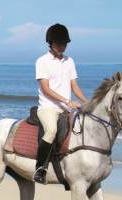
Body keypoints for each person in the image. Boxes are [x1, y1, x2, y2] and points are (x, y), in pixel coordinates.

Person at [33, 23, 88, 183]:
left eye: (64, 44)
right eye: (59, 43)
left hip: (67, 108)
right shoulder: (42, 61)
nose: (62, 47)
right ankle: (40, 169)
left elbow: (74, 86)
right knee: (50, 131)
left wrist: (87, 102)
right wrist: (67, 101)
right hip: (48, 108)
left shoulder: (69, 61)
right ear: (50, 43)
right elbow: (45, 89)